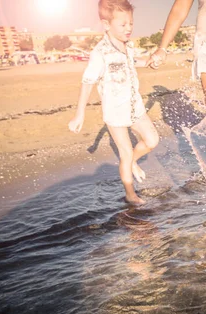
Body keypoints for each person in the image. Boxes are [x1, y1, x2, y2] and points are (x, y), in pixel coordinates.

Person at [68, 0, 159, 205]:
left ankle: (132, 163)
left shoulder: (128, 47)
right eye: (123, 24)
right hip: (115, 112)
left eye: (131, 23)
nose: (129, 28)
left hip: (135, 106)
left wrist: (149, 62)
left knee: (152, 140)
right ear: (107, 24)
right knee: (125, 152)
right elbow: (87, 81)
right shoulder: (101, 53)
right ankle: (130, 193)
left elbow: (134, 62)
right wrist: (79, 113)